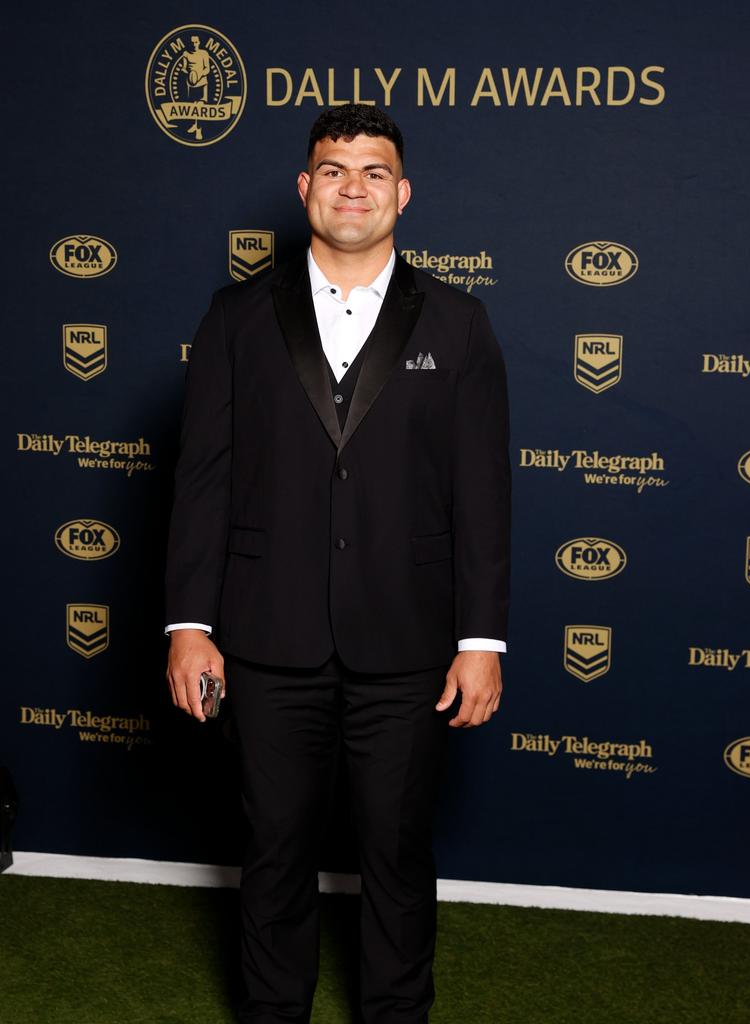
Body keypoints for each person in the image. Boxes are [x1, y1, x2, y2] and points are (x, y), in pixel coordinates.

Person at [164, 103, 511, 1024]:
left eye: (371, 172)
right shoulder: (237, 316)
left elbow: (482, 496)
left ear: (401, 193)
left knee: (397, 855)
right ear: (304, 188)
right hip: (267, 640)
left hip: (408, 647)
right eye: (332, 169)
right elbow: (203, 479)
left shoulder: (461, 321)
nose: (351, 186)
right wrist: (189, 625)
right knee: (274, 850)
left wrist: (481, 639)